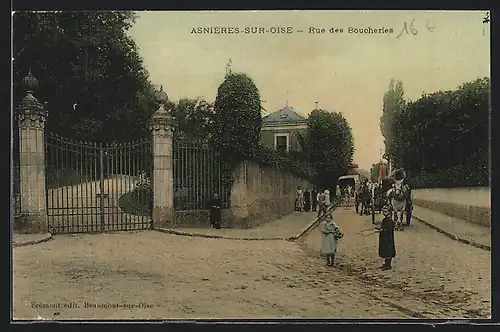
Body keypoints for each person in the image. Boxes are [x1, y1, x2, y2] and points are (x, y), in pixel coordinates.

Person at [377, 205, 396, 270]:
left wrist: (383, 230)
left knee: (388, 251)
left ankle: (388, 265)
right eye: (383, 211)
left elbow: (389, 229)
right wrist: (380, 228)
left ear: (389, 212)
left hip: (388, 239)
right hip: (384, 238)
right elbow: (384, 226)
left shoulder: (389, 220)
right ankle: (386, 263)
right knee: (385, 250)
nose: (383, 213)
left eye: (385, 212)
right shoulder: (385, 219)